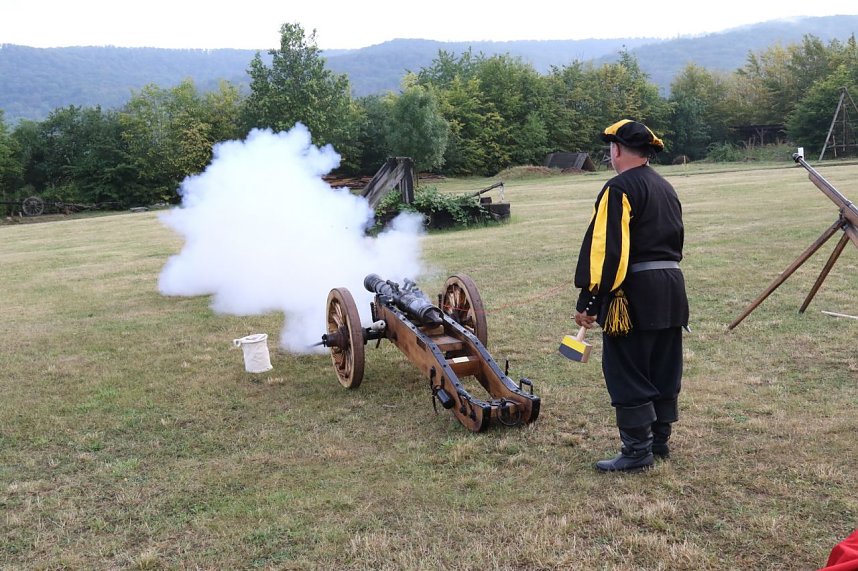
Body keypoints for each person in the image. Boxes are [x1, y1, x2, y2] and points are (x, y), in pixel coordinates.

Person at [573, 119, 689, 473]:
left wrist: (590, 299)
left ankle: (638, 451)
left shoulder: (619, 187)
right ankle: (658, 442)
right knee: (662, 366)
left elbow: (609, 250)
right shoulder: (665, 186)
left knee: (628, 368)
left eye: (611, 148)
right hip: (671, 288)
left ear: (617, 149)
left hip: (634, 294)